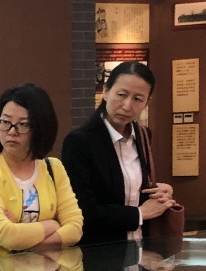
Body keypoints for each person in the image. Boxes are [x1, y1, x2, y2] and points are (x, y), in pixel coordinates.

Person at [61, 61, 175, 246]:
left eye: (138, 99)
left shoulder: (143, 135)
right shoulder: (79, 141)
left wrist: (160, 192)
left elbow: (131, 192)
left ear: (147, 102)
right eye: (121, 95)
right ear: (106, 91)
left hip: (140, 246)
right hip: (100, 251)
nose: (127, 106)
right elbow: (82, 209)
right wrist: (139, 214)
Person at [0, 83, 82, 259]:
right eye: (5, 122)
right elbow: (6, 236)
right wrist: (52, 225)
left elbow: (74, 229)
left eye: (23, 124)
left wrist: (23, 238)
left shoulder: (54, 168)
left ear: (41, 128)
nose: (11, 132)